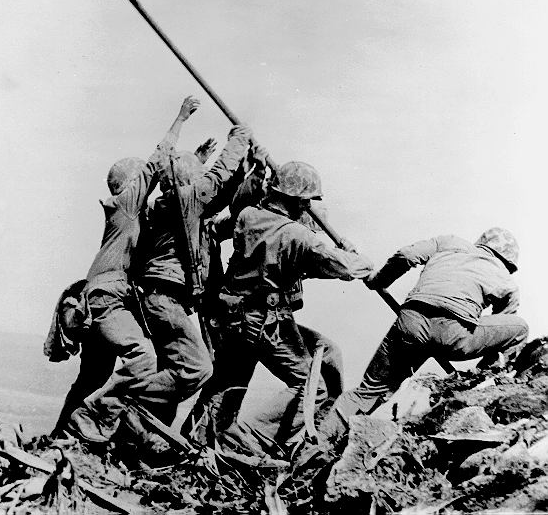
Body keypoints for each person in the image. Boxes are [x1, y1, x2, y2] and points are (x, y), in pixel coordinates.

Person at [51, 96, 202, 442]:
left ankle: (62, 437)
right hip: (108, 298)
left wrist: (199, 160)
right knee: (144, 358)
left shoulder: (130, 217)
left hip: (103, 300)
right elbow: (155, 164)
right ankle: (91, 423)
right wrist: (180, 119)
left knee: (93, 376)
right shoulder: (124, 207)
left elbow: (175, 192)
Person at [202, 161, 375, 454]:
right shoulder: (298, 235)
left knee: (229, 386)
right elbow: (343, 267)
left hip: (234, 316)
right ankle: (247, 444)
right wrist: (358, 258)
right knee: (313, 387)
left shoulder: (248, 216)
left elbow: (299, 262)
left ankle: (200, 440)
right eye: (305, 200)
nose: (307, 206)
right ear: (293, 199)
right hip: (265, 322)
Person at [90, 122, 253, 429]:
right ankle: (113, 405)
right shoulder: (181, 202)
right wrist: (238, 142)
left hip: (157, 301)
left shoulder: (167, 209)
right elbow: (217, 183)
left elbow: (222, 196)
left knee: (176, 371)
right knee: (195, 369)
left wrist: (246, 173)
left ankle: (143, 429)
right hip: (159, 300)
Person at [318, 227, 529, 440]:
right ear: (508, 261)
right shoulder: (506, 280)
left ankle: (319, 442)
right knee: (520, 328)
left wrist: (379, 281)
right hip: (453, 336)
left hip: (410, 325)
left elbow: (406, 256)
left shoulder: (450, 242)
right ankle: (483, 384)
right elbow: (500, 332)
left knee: (369, 391)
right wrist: (482, 373)